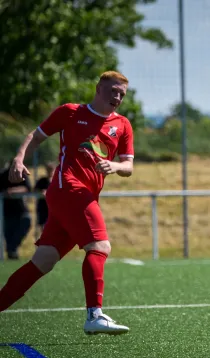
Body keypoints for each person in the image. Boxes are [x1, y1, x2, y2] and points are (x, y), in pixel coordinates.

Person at [0, 71, 135, 335]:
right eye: (112, 91)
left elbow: (129, 165)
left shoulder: (122, 124)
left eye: (122, 94)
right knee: (99, 245)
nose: (117, 97)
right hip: (68, 189)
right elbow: (36, 136)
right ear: (98, 88)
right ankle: (94, 315)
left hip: (80, 196)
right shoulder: (70, 112)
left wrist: (116, 165)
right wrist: (19, 159)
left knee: (44, 260)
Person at [0, 162, 32, 260]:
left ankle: (12, 250)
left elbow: (28, 188)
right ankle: (12, 254)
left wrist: (13, 191)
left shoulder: (22, 173)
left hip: (21, 210)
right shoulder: (3, 175)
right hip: (6, 211)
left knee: (26, 222)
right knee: (8, 236)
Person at [34, 162, 57, 231]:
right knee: (44, 230)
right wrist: (41, 192)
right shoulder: (42, 181)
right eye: (48, 169)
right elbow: (35, 190)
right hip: (43, 208)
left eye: (51, 169)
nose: (49, 171)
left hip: (54, 209)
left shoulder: (57, 181)